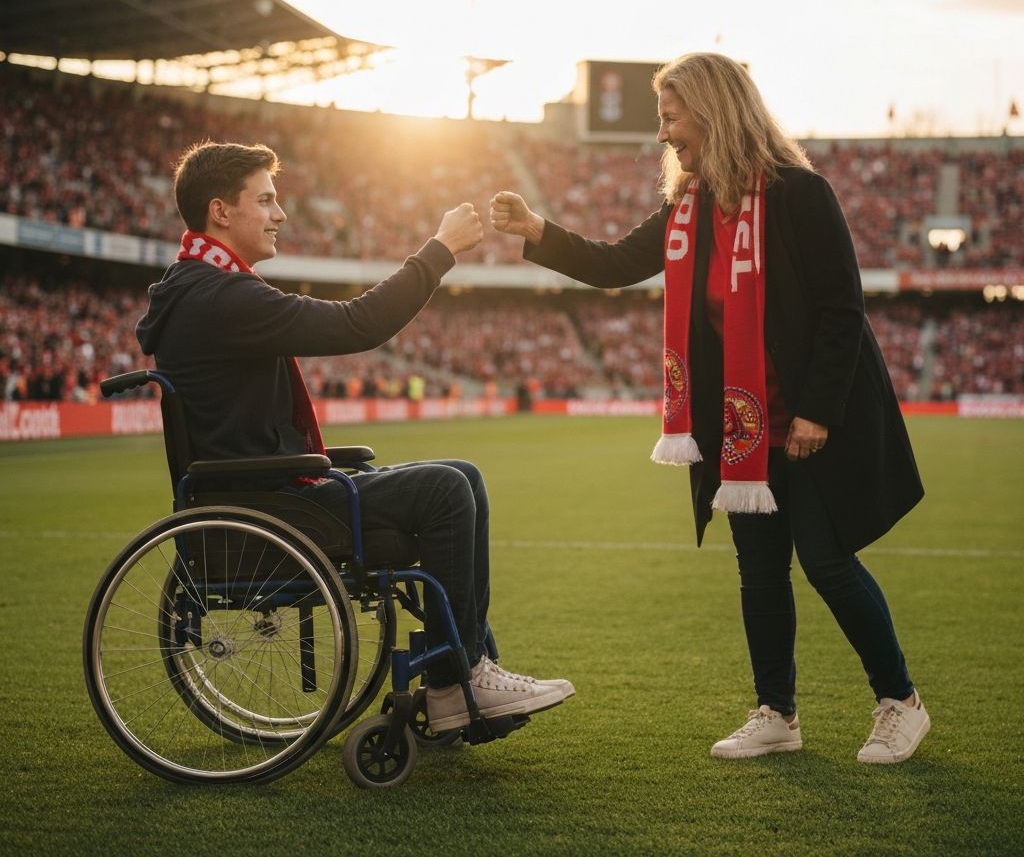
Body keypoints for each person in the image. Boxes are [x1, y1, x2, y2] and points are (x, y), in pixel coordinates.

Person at [490, 53, 928, 764]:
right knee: (759, 573)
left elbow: (842, 309)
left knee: (828, 563)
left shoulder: (801, 195)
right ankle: (777, 713)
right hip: (740, 432)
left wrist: (817, 410)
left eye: (671, 117)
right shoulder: (687, 208)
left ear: (714, 112)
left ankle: (900, 702)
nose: (663, 133)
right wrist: (537, 229)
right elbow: (614, 263)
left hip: (807, 426)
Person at [136, 140, 573, 732]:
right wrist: (440, 250)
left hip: (259, 493)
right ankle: (455, 681)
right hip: (268, 507)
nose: (280, 213)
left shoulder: (203, 288)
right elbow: (358, 324)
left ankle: (465, 670)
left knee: (462, 477)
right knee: (446, 489)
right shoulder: (221, 296)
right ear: (220, 211)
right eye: (264, 200)